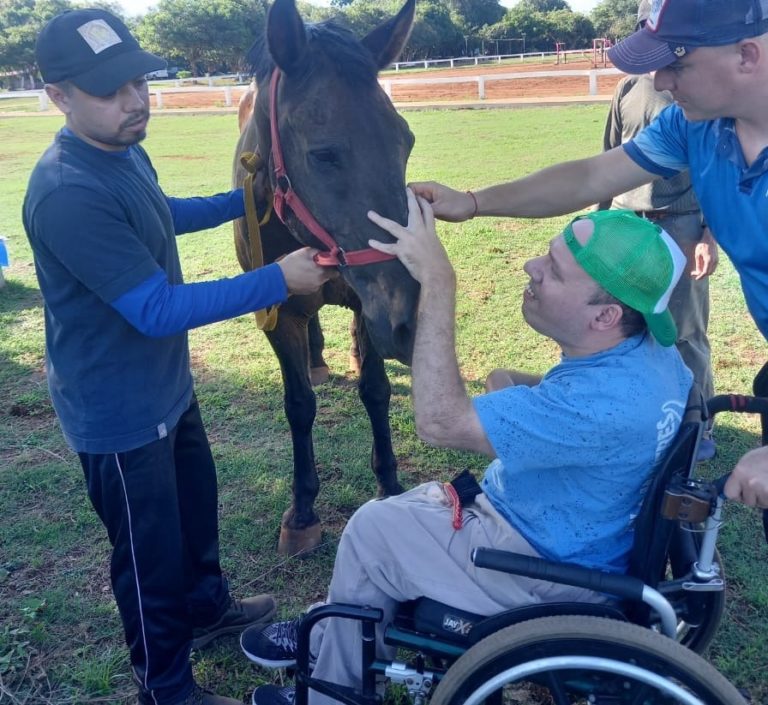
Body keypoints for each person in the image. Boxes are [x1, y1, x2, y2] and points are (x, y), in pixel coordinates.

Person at [240, 199, 693, 705]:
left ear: (606, 314)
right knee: (401, 514)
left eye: (555, 270)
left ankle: (332, 693)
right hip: (569, 538)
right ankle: (326, 635)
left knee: (372, 529)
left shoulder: (602, 406)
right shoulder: (654, 360)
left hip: (543, 571)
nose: (531, 267)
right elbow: (570, 406)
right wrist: (514, 390)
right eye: (547, 254)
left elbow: (439, 422)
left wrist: (439, 282)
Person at [22, 9, 334, 705]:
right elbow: (156, 307)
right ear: (60, 97)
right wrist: (277, 280)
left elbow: (158, 211)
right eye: (110, 90)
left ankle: (205, 607)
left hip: (164, 385)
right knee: (147, 556)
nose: (136, 101)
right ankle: (165, 687)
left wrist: (239, 199)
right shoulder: (68, 191)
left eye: (139, 80)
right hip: (119, 412)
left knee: (197, 505)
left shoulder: (122, 149)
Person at [409, 0, 768, 510]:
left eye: (677, 63)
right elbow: (591, 177)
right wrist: (472, 203)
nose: (661, 81)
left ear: (747, 55)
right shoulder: (698, 128)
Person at [599, 0, 719, 459]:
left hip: (681, 226)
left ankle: (697, 428)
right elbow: (608, 156)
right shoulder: (627, 88)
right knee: (625, 328)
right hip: (629, 225)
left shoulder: (697, 94)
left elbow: (712, 171)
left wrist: (707, 237)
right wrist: (599, 216)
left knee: (685, 332)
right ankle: (639, 417)